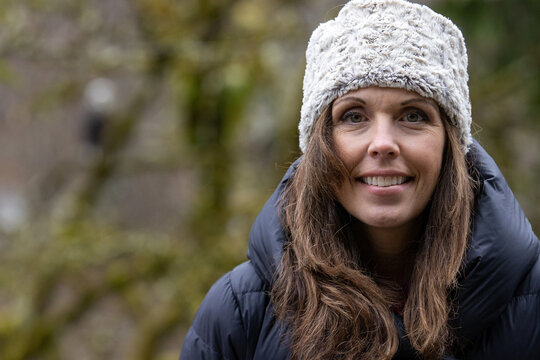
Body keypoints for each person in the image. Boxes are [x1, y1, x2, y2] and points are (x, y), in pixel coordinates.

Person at [179, 0, 540, 359]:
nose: (382, 144)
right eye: (353, 116)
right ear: (320, 142)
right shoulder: (239, 314)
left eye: (413, 115)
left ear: (450, 144)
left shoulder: (531, 303)